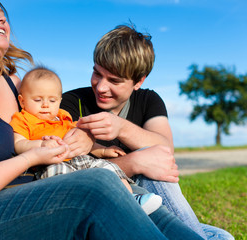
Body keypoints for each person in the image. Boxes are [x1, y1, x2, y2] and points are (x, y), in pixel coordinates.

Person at [0, 0, 204, 239]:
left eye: (1, 10)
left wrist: (84, 142)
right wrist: (30, 156)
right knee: (93, 188)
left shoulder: (13, 84)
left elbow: (51, 127)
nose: (0, 15)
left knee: (132, 196)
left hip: (7, 203)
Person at [60, 24, 234, 240]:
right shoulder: (70, 102)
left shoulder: (148, 100)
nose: (101, 87)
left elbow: (165, 151)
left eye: (114, 80)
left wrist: (121, 127)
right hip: (103, 207)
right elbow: (65, 176)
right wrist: (133, 163)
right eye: (97, 73)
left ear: (139, 81)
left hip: (144, 201)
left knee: (222, 236)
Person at [10, 66, 162, 215]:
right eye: (37, 100)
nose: (45, 105)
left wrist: (102, 150)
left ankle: (131, 199)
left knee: (107, 169)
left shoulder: (63, 117)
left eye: (52, 100)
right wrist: (40, 145)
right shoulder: (23, 119)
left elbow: (83, 143)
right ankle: (77, 210)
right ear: (22, 101)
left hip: (79, 158)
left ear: (59, 101)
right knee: (61, 178)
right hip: (50, 163)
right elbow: (18, 144)